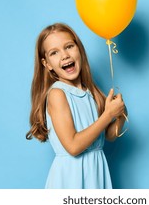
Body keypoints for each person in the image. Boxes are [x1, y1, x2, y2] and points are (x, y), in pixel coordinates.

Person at [26, 22, 127, 189]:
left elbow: (107, 136)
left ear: (79, 49)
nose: (65, 56)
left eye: (69, 47)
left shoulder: (90, 91)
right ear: (47, 64)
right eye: (54, 53)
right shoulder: (57, 94)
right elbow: (73, 146)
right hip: (71, 177)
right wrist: (107, 115)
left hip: (95, 172)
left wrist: (120, 114)